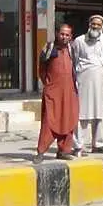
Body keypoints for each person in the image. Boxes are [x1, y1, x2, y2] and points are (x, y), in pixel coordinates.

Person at [71, 15, 103, 155]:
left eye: (98, 24)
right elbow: (74, 60)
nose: (95, 26)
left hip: (99, 80)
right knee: (82, 113)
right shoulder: (79, 40)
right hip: (83, 80)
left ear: (102, 27)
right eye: (93, 24)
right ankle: (78, 146)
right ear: (89, 24)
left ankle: (98, 144)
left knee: (99, 112)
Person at [33, 24, 78, 164]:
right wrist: (48, 84)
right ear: (57, 33)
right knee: (49, 121)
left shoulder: (73, 49)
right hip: (53, 91)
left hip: (70, 91)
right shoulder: (49, 48)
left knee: (69, 119)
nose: (64, 37)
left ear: (71, 37)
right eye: (62, 34)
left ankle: (64, 151)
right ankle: (41, 151)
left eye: (67, 35)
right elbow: (42, 69)